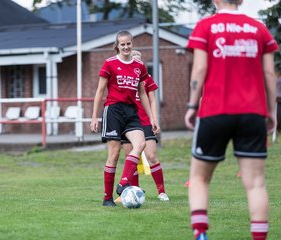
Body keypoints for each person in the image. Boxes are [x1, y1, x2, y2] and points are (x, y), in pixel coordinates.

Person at [184, 0, 278, 239]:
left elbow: (199, 69)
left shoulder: (206, 27)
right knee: (256, 183)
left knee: (199, 178)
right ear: (242, 0)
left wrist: (192, 105)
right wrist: (271, 111)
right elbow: (269, 73)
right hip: (252, 113)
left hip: (215, 111)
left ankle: (201, 234)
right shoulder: (259, 29)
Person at [90, 30, 160, 207]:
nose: (126, 47)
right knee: (113, 155)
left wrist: (152, 117)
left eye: (128, 43)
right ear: (117, 46)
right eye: (122, 44)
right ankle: (107, 198)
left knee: (140, 144)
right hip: (113, 110)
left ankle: (123, 183)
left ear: (132, 43)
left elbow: (143, 94)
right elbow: (99, 91)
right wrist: (94, 117)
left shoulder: (139, 66)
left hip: (131, 111)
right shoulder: (109, 64)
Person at [117, 50, 169, 202]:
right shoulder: (124, 78)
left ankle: (161, 192)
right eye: (134, 59)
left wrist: (154, 119)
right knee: (131, 158)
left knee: (151, 156)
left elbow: (152, 100)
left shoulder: (146, 79)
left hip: (144, 122)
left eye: (139, 60)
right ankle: (134, 191)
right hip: (127, 123)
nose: (137, 62)